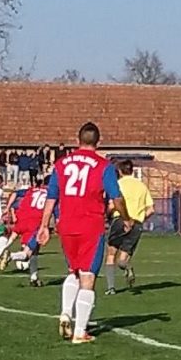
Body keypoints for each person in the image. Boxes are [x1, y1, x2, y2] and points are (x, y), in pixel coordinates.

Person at [36, 122, 130, 345]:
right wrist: (126, 218)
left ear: (77, 140)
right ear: (98, 142)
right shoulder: (103, 165)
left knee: (73, 271)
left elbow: (51, 197)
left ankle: (66, 312)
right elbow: (116, 197)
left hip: (66, 224)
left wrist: (43, 225)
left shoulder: (61, 164)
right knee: (88, 277)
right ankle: (80, 332)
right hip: (90, 224)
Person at [104, 160, 154, 295]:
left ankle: (111, 288)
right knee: (122, 259)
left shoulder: (117, 184)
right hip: (136, 223)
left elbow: (112, 205)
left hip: (119, 220)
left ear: (119, 171)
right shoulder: (142, 186)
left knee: (110, 254)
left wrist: (106, 215)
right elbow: (151, 209)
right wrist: (140, 218)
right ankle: (126, 266)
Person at [6, 177, 51, 287]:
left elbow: (16, 192)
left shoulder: (31, 190)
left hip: (23, 220)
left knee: (35, 252)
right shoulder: (52, 195)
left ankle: (34, 278)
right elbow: (55, 211)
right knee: (27, 254)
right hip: (36, 225)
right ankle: (10, 256)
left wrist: (8, 207)